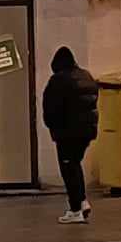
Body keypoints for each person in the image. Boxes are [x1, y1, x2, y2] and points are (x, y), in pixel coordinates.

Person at [41, 46, 98, 224]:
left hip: (67, 133)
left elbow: (51, 108)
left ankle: (75, 210)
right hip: (86, 132)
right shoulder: (86, 76)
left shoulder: (58, 80)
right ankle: (82, 202)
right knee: (74, 165)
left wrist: (52, 126)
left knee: (68, 169)